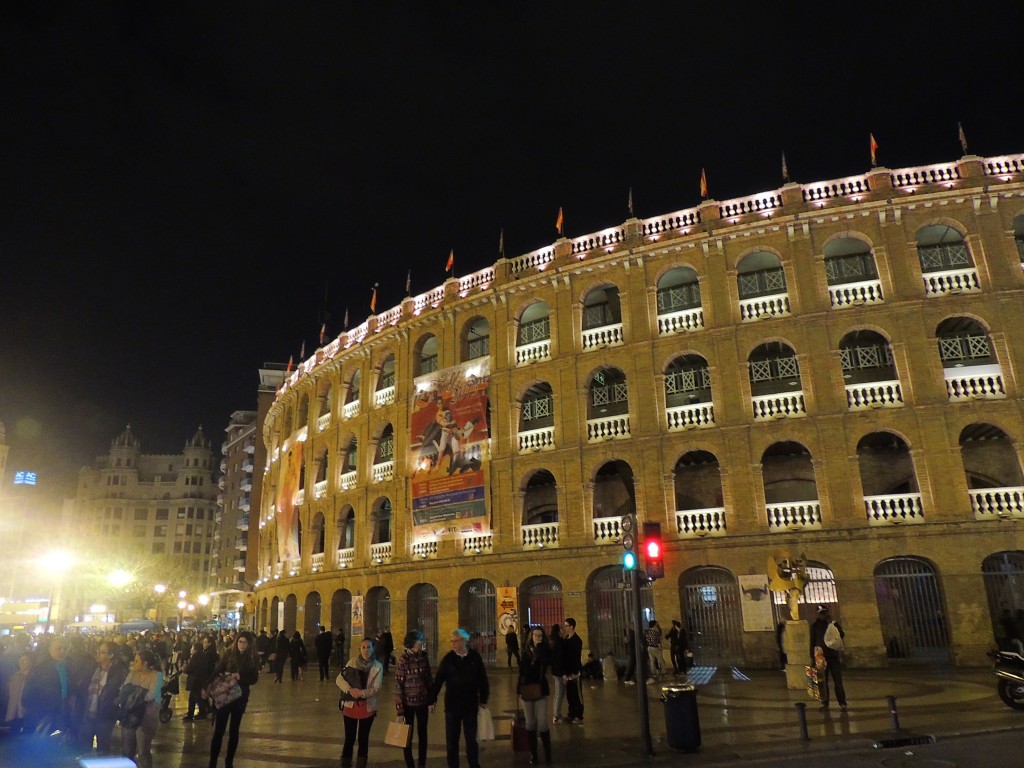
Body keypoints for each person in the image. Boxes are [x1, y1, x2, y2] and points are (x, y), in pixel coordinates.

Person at [430, 628, 489, 768]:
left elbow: (483, 679)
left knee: (471, 740)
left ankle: (474, 764)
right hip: (452, 706)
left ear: (463, 641)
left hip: (470, 704)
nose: (452, 644)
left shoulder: (474, 657)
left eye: (455, 641)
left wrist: (484, 699)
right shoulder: (448, 659)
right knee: (452, 741)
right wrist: (432, 700)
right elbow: (438, 680)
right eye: (451, 641)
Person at [209, 630, 260, 768]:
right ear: (236, 641)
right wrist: (207, 686)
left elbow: (254, 678)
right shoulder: (229, 654)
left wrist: (240, 676)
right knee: (219, 730)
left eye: (245, 643)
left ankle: (229, 761)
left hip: (240, 697)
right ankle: (212, 762)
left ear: (249, 645)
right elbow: (218, 669)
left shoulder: (253, 658)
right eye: (240, 642)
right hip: (225, 696)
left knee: (234, 730)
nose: (242, 645)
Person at [337, 638, 384, 768]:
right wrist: (350, 690)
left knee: (363, 739)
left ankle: (361, 765)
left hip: (367, 707)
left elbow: (377, 688)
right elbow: (339, 679)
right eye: (363, 647)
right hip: (350, 705)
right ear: (360, 649)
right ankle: (345, 764)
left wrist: (362, 693)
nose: (366, 650)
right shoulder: (352, 662)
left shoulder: (378, 666)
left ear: (373, 649)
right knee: (349, 739)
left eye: (369, 647)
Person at [78, 641, 128, 753]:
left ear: (111, 655)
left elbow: (124, 691)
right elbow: (83, 685)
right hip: (89, 711)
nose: (98, 654)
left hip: (105, 714)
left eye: (103, 652)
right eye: (99, 651)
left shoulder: (119, 671)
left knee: (103, 747)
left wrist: (114, 704)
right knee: (84, 746)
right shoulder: (93, 668)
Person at [394, 630, 433, 768]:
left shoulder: (423, 657)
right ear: (411, 643)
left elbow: (429, 679)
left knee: (423, 735)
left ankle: (422, 764)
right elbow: (398, 685)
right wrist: (400, 710)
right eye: (418, 641)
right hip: (408, 705)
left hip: (422, 702)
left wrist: (431, 701)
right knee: (407, 737)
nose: (421, 643)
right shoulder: (403, 660)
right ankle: (410, 765)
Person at [120, 648, 163, 768]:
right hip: (129, 716)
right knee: (127, 751)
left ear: (145, 663)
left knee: (143, 752)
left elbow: (150, 696)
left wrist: (134, 694)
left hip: (146, 718)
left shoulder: (157, 675)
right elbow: (124, 691)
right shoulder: (132, 674)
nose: (134, 663)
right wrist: (139, 693)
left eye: (137, 661)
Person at [517, 625, 552, 765]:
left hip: (540, 689)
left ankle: (548, 752)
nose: (537, 637)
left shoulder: (545, 650)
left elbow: (548, 662)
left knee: (542, 722)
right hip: (526, 690)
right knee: (530, 723)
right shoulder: (525, 652)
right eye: (535, 635)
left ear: (543, 638)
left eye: (540, 636)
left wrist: (540, 649)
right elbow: (521, 671)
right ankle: (534, 754)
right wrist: (517, 689)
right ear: (531, 636)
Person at [809, 606, 847, 710]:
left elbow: (841, 634)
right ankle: (825, 703)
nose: (823, 615)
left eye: (825, 613)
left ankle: (842, 702)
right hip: (821, 657)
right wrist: (812, 658)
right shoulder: (815, 626)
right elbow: (812, 642)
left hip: (833, 656)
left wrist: (834, 624)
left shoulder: (833, 624)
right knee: (822, 682)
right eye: (821, 613)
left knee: (838, 681)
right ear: (818, 614)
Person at [184, 636, 218, 721]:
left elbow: (189, 669)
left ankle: (203, 712)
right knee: (194, 698)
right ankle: (191, 714)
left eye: (192, 648)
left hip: (196, 681)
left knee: (198, 698)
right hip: (200, 680)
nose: (190, 650)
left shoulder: (197, 657)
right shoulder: (203, 655)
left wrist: (184, 668)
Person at [560, 618, 584, 724]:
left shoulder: (577, 640)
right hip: (567, 671)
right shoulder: (566, 638)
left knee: (576, 695)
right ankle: (571, 714)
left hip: (575, 673)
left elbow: (576, 658)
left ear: (572, 626)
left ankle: (578, 715)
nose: (565, 627)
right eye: (564, 625)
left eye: (566, 625)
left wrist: (575, 673)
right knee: (570, 695)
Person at [3, 653, 31, 734]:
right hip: (14, 713)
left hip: (26, 712)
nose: (21, 662)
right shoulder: (14, 677)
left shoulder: (34, 677)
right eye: (20, 660)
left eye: (24, 660)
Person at [548, 624, 565, 721]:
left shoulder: (552, 641)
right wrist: (563, 673)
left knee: (559, 693)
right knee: (559, 693)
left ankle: (556, 714)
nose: (563, 630)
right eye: (561, 628)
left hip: (555, 670)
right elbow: (560, 658)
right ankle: (556, 716)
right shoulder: (559, 642)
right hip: (559, 671)